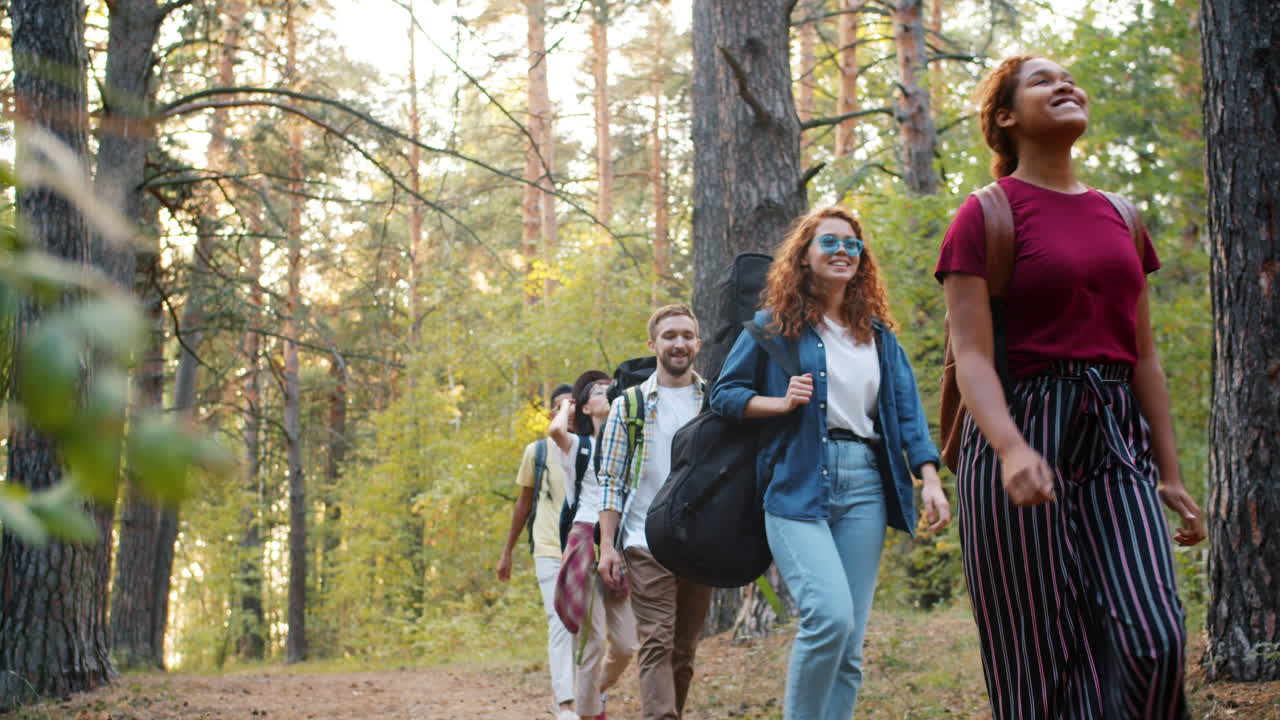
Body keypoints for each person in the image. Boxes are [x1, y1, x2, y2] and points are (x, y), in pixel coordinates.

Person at [936, 55, 1207, 719]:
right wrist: (1009, 449)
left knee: (1155, 640)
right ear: (1006, 117)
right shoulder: (984, 214)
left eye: (1070, 79)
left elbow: (1143, 356)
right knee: (1038, 656)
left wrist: (1169, 475)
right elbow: (970, 355)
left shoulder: (1122, 215)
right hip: (1021, 421)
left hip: (1115, 434)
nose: (1065, 85)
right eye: (1042, 81)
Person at [710, 206, 951, 719]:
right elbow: (724, 396)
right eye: (830, 242)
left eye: (852, 244)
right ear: (804, 255)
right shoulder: (772, 328)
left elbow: (907, 412)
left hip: (864, 484)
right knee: (829, 618)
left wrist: (929, 479)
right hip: (796, 486)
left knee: (850, 646)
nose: (843, 251)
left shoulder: (879, 335)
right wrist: (778, 403)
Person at [596, 304, 711, 720]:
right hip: (645, 541)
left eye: (686, 335)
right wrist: (607, 546)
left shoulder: (714, 401)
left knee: (683, 650)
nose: (678, 343)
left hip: (700, 544)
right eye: (669, 336)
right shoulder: (629, 406)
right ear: (653, 344)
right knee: (657, 641)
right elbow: (609, 480)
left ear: (698, 343)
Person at [549, 370, 639, 720]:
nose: (608, 394)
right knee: (593, 639)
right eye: (599, 392)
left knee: (627, 643)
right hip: (586, 539)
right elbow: (556, 430)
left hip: (617, 544)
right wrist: (567, 404)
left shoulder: (628, 444)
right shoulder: (578, 447)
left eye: (610, 390)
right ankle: (588, 713)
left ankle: (595, 691)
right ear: (585, 407)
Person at [497, 383, 579, 720]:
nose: (569, 414)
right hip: (548, 548)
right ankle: (566, 703)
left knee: (586, 625)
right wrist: (507, 552)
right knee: (559, 621)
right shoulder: (538, 452)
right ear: (551, 414)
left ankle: (586, 693)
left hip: (587, 548)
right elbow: (523, 503)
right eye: (562, 407)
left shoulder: (592, 446)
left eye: (573, 406)